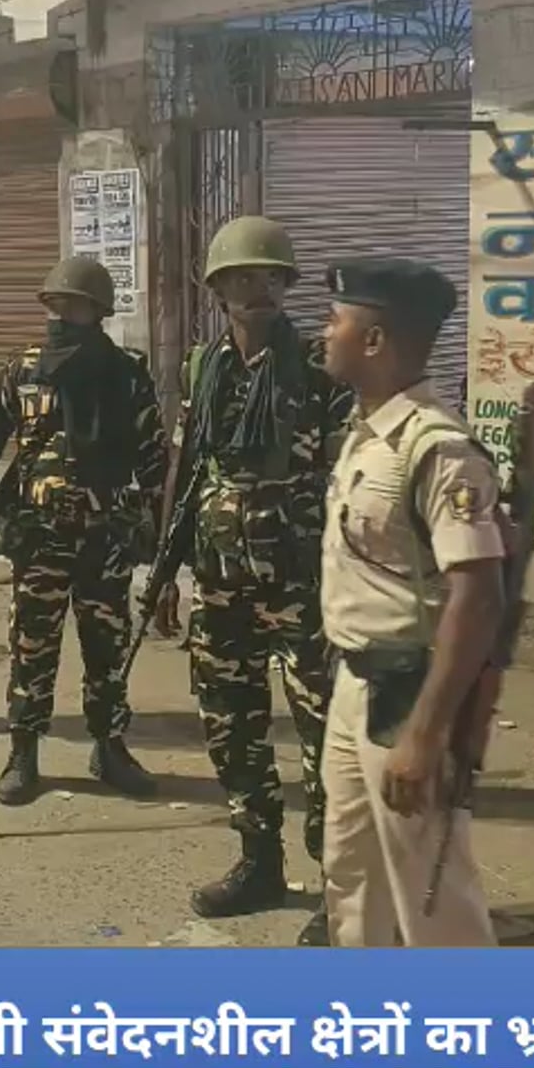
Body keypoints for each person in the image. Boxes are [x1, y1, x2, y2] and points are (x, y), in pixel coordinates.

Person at [153, 217, 347, 939]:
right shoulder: (203, 368)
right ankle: (259, 861)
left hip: (305, 587)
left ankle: (341, 890)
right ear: (218, 289)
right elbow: (185, 468)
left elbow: (353, 476)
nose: (256, 288)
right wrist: (165, 569)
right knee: (232, 729)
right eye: (241, 277)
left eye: (269, 277)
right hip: (221, 582)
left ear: (285, 286)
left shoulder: (322, 367)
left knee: (328, 745)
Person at [317, 258, 502, 947]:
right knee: (350, 878)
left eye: (335, 320)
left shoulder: (438, 449)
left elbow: (478, 596)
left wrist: (425, 733)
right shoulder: (365, 433)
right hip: (354, 685)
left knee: (433, 900)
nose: (323, 333)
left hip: (408, 694)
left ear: (374, 340)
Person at [0, 256, 167, 805]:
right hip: (40, 533)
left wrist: (161, 530)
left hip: (106, 535)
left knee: (107, 648)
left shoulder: (126, 373)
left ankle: (110, 747)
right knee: (32, 646)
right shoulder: (24, 369)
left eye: (73, 306)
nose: (60, 316)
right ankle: (24, 751)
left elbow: (153, 455)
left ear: (98, 312)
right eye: (54, 305)